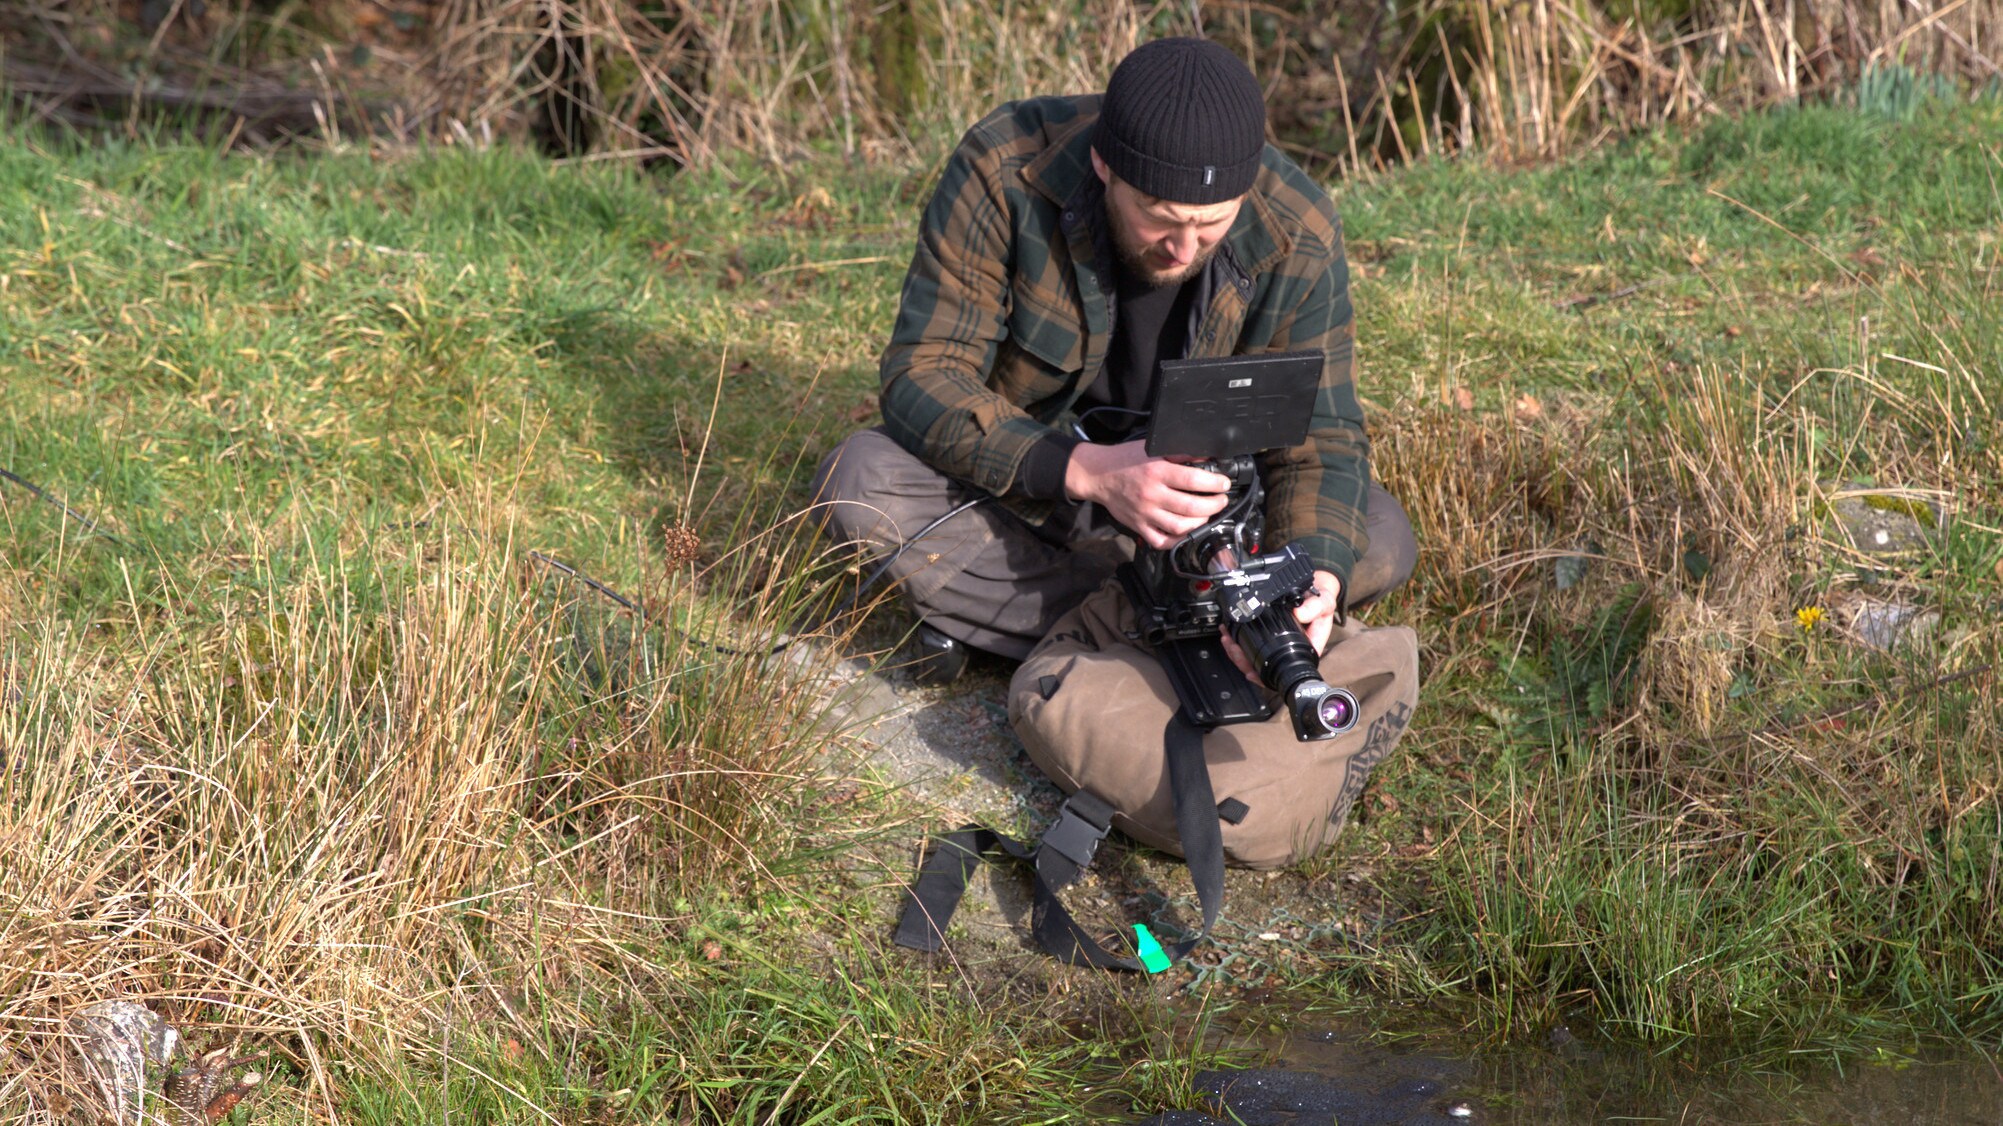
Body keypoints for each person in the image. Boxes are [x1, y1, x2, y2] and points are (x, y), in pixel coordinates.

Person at [813, 36, 1416, 685]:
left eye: (1211, 224)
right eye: (1157, 217)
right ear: (1104, 165)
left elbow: (1321, 437)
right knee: (859, 480)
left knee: (1376, 531)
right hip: (1040, 495)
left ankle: (1077, 623)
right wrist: (1087, 472)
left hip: (1206, 516)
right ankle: (1173, 630)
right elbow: (921, 374)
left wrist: (1313, 577)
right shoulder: (1003, 168)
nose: (1182, 250)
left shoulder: (1297, 226)